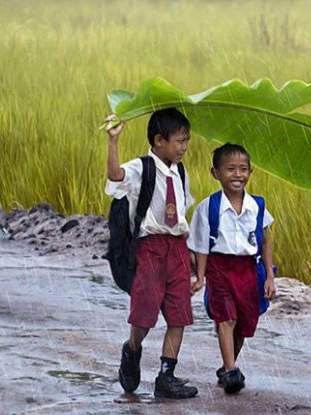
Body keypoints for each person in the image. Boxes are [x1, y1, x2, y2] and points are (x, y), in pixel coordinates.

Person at [104, 108, 198, 399]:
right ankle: (132, 348)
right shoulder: (141, 168)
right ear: (159, 140)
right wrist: (113, 142)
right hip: (150, 248)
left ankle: (166, 376)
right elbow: (115, 175)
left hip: (177, 249)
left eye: (186, 141)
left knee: (179, 314)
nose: (184, 147)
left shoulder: (181, 172)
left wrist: (192, 257)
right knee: (144, 314)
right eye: (179, 141)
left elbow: (182, 215)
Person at [188, 143, 276, 394]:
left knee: (245, 323)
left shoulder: (257, 206)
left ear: (250, 172)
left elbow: (266, 240)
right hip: (219, 268)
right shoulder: (208, 208)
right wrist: (201, 277)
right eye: (230, 169)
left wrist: (270, 276)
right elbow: (201, 246)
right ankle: (230, 372)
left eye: (243, 169)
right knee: (226, 317)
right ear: (215, 173)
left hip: (248, 269)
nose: (237, 174)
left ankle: (229, 365)